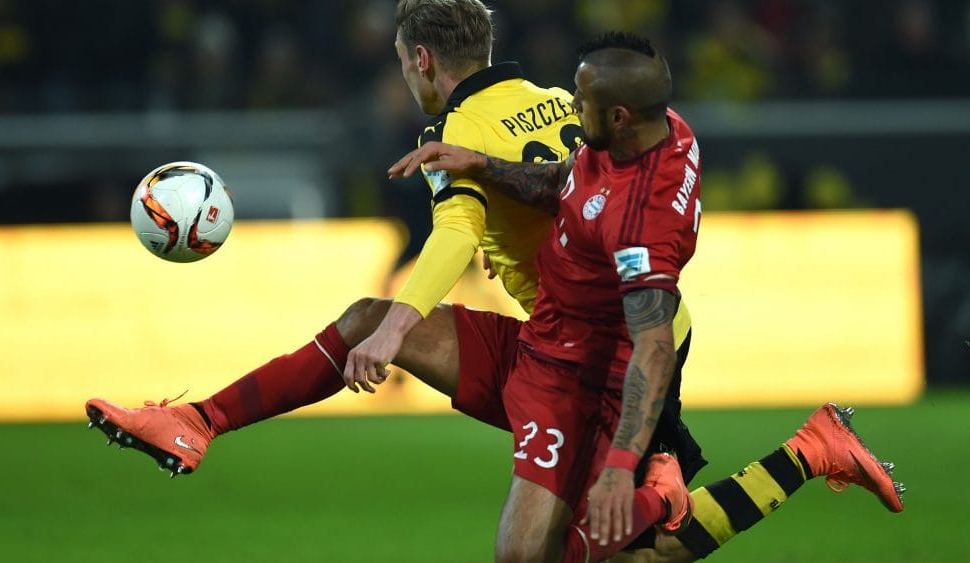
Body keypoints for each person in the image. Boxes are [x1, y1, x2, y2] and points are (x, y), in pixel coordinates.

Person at [84, 2, 903, 561]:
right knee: (362, 315)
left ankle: (786, 455)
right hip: (567, 339)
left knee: (593, 550)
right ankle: (197, 419)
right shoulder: (572, 104)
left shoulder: (487, 130)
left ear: (419, 59)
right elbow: (564, 183)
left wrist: (403, 327)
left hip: (600, 361)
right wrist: (477, 170)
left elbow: (459, 234)